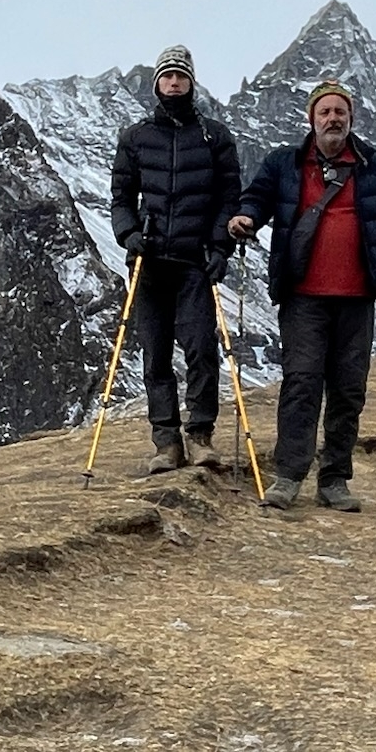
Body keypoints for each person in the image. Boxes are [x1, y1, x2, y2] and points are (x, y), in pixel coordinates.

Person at [227, 79, 376, 512]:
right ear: (311, 118)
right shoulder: (285, 163)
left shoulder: (373, 167)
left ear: (351, 118)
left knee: (348, 390)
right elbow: (257, 198)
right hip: (303, 296)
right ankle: (288, 477)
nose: (333, 119)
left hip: (357, 297)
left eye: (340, 112)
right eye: (325, 112)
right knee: (302, 383)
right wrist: (246, 217)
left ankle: (334, 480)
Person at [110, 45, 242, 474]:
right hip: (149, 262)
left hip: (193, 262)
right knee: (156, 355)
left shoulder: (214, 137)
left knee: (201, 349)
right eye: (167, 76)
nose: (173, 82)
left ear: (191, 82)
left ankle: (200, 436)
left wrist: (220, 248)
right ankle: (166, 442)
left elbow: (228, 199)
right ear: (157, 84)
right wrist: (129, 234)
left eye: (180, 76)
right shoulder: (135, 138)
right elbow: (121, 198)